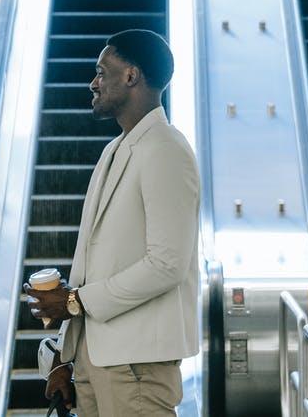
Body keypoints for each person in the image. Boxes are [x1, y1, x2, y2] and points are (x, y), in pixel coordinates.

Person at [26, 29, 201, 417]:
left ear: (131, 76)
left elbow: (167, 264)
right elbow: (94, 266)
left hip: (136, 364)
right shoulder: (116, 149)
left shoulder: (167, 149)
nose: (94, 82)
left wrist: (74, 301)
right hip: (96, 358)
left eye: (102, 72)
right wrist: (63, 354)